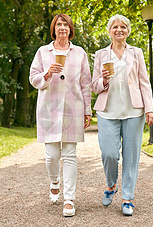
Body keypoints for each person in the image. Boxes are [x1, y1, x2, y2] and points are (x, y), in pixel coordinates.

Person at [91, 14, 153, 216]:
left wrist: (149, 108)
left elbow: (144, 82)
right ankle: (111, 185)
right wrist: (103, 80)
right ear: (109, 31)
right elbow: (94, 86)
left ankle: (127, 198)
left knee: (131, 156)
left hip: (133, 111)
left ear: (128, 31)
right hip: (107, 111)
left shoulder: (136, 53)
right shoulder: (101, 54)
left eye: (123, 27)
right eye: (115, 27)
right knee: (109, 153)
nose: (119, 30)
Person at [29, 13, 92, 217]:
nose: (62, 27)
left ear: (70, 29)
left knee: (70, 156)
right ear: (54, 29)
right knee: (51, 156)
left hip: (74, 108)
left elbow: (86, 84)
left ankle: (69, 200)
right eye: (59, 24)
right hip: (49, 108)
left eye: (66, 24)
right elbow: (33, 78)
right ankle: (54, 181)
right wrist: (47, 74)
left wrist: (87, 110)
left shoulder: (80, 52)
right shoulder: (42, 52)